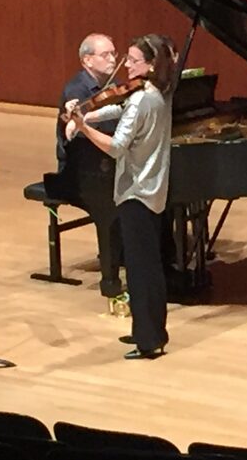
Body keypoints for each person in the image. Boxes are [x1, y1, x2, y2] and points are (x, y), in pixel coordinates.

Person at [69, 34, 176, 359]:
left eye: (132, 60)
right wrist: (88, 114)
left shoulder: (145, 98)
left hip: (137, 193)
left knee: (142, 270)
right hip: (150, 189)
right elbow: (118, 105)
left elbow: (117, 147)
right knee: (145, 266)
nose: (125, 65)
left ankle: (149, 340)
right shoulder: (152, 91)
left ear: (150, 63)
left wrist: (82, 128)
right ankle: (148, 329)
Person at [54, 33, 126, 308]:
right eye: (105, 54)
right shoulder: (76, 91)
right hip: (82, 168)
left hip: (107, 157)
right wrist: (76, 119)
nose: (112, 59)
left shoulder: (114, 85)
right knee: (108, 202)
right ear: (87, 60)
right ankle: (110, 280)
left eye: (113, 54)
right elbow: (77, 135)